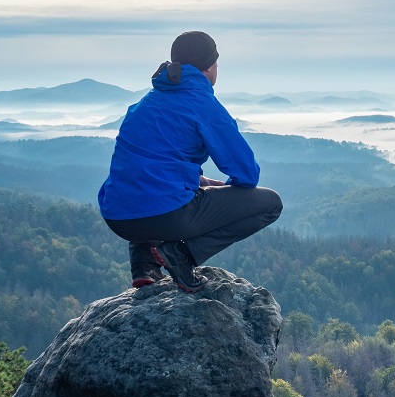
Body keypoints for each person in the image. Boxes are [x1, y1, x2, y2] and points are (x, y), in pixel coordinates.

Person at [98, 31, 282, 293]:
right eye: (217, 64)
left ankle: (145, 265)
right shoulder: (204, 105)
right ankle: (182, 254)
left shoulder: (145, 103)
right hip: (165, 217)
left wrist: (195, 181)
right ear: (208, 67)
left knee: (150, 192)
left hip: (118, 217)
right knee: (271, 203)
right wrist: (227, 196)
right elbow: (246, 174)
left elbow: (146, 163)